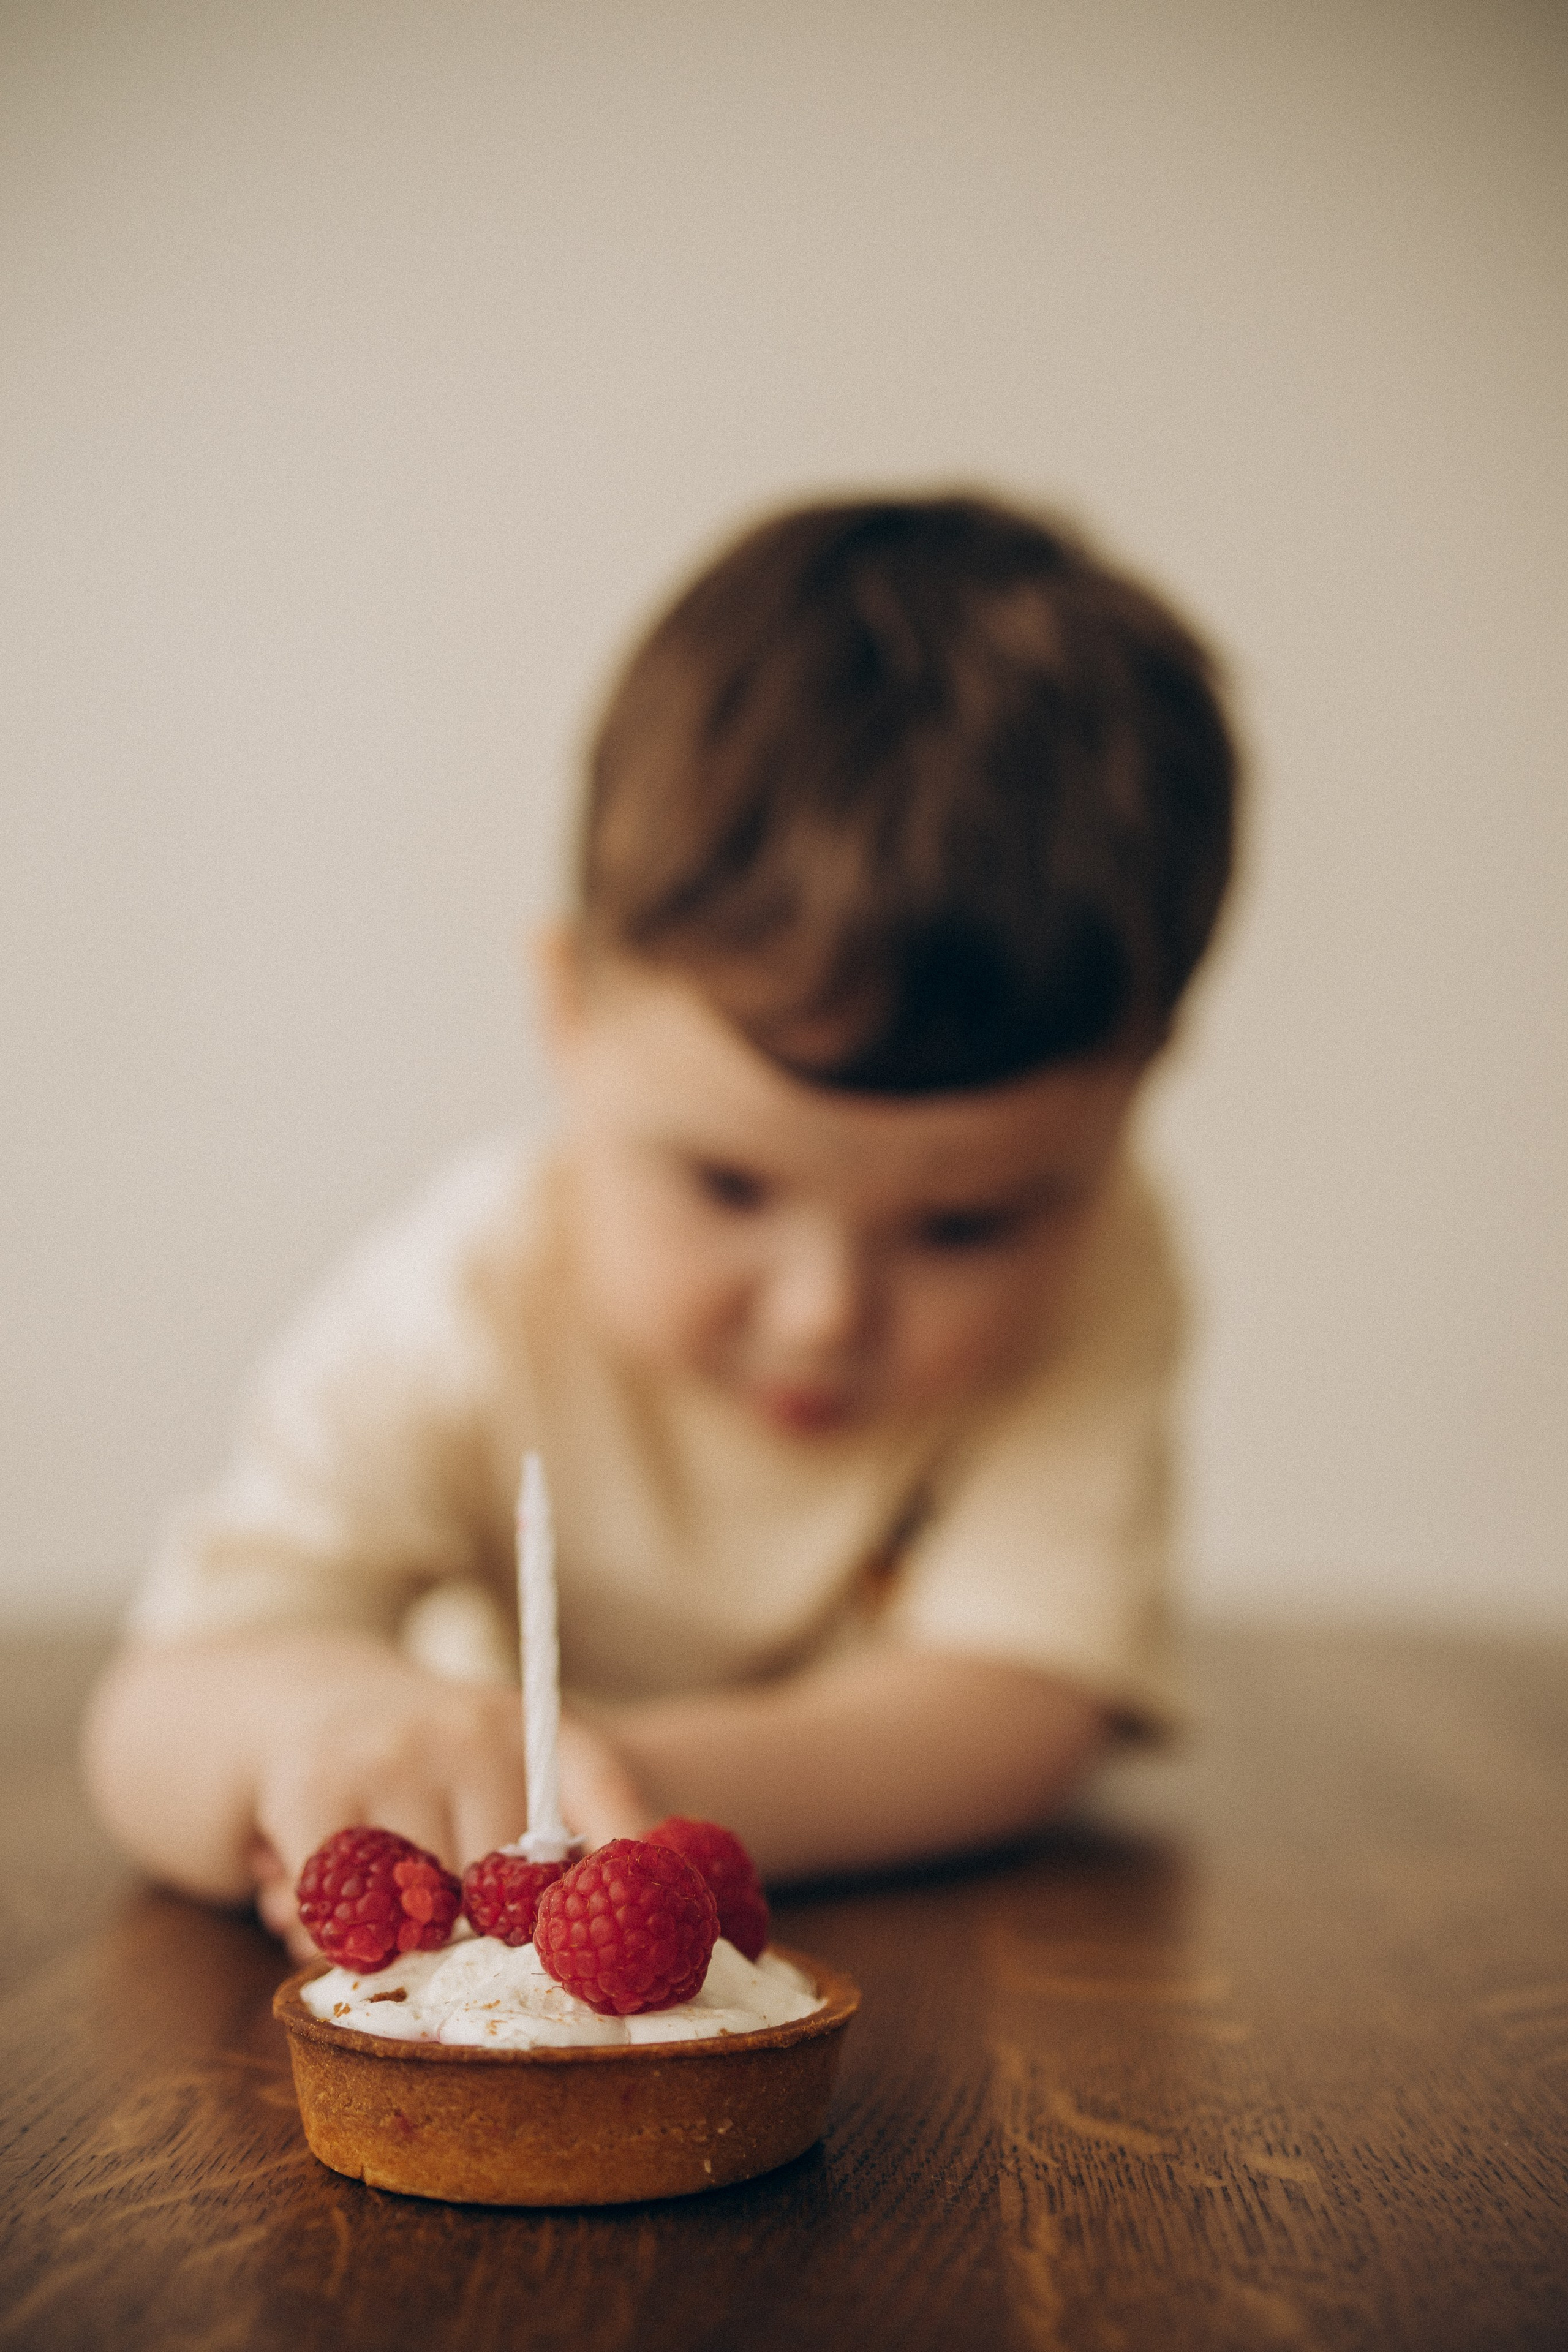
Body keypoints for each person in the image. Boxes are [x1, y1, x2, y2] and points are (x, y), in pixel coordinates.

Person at [83, 493, 1238, 1957]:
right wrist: (319, 1731)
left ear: (1130, 1102)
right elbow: (159, 1706)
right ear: (567, 1011)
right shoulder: (463, 1302)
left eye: (963, 1227)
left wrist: (594, 1794)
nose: (823, 1310)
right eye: (727, 1186)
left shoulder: (1100, 1274)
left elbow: (1014, 1704)